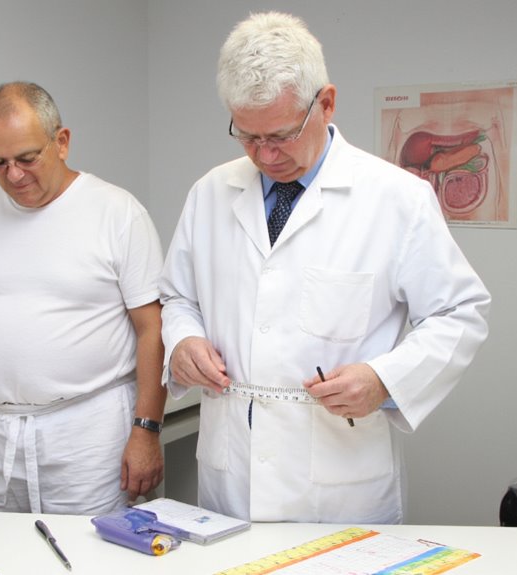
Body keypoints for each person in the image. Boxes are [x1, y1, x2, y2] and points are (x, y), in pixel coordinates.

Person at [159, 12, 490, 524]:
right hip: (233, 478)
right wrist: (182, 341)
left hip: (340, 490)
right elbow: (178, 297)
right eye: (247, 137)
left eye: (281, 135)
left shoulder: (396, 199)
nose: (265, 155)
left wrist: (384, 379)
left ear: (326, 103)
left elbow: (460, 314)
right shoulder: (210, 194)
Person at [0, 81, 166, 515]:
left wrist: (146, 430)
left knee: (89, 559)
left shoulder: (117, 212)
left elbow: (152, 327)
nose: (15, 175)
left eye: (27, 158)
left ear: (61, 142)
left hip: (88, 436)